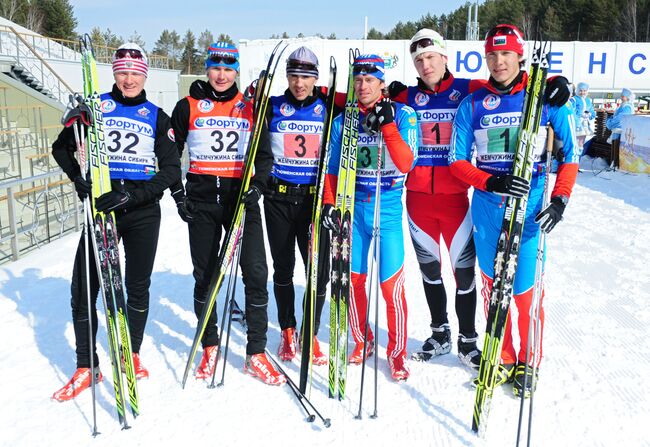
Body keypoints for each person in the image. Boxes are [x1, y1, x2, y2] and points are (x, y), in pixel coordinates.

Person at [449, 24, 579, 396]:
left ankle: (529, 359)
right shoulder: (473, 103)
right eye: (492, 55)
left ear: (519, 56)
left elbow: (570, 154)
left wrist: (560, 198)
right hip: (489, 209)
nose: (499, 61)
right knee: (494, 288)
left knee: (525, 292)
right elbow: (456, 160)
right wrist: (489, 181)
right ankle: (503, 357)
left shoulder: (546, 98)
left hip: (531, 209)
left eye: (506, 54)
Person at [51, 43, 181, 401]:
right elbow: (61, 148)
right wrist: (80, 181)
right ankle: (85, 365)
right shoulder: (95, 109)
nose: (128, 80)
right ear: (113, 73)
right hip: (101, 208)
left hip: (140, 210)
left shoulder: (157, 116)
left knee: (136, 286)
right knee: (85, 287)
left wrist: (136, 195)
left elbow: (170, 169)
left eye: (135, 74)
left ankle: (131, 353)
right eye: (122, 72)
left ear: (144, 77)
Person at [170, 42, 285, 385]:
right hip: (202, 201)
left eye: (228, 68)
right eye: (215, 68)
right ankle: (210, 345)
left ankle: (256, 352)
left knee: (255, 271)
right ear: (208, 69)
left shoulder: (250, 108)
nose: (221, 75)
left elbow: (264, 156)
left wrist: (258, 187)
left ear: (236, 71)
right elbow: (169, 152)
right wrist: (178, 193)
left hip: (241, 201)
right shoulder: (187, 106)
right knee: (205, 276)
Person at [387, 29, 485, 368]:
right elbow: (364, 96)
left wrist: (553, 81)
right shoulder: (406, 97)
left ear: (445, 58)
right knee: (430, 272)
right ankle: (440, 333)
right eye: (418, 60)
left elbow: (511, 85)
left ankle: (468, 341)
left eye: (430, 57)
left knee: (464, 274)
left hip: (456, 201)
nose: (425, 64)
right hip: (417, 202)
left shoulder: (468, 89)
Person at [322, 54, 418, 381]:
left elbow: (406, 163)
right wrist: (329, 204)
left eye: (369, 80)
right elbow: (333, 170)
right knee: (353, 282)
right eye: (358, 80)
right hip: (353, 207)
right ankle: (362, 339)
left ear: (381, 83)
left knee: (391, 287)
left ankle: (397, 352)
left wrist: (388, 125)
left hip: (387, 206)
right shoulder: (342, 121)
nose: (363, 86)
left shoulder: (404, 114)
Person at [263, 46, 335, 364]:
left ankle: (310, 332)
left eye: (306, 77)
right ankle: (288, 330)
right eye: (293, 76)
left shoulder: (328, 106)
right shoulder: (272, 106)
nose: (299, 83)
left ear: (315, 80)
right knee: (283, 269)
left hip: (312, 201)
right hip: (278, 199)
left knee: (318, 271)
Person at [572, 82, 596, 154]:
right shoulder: (574, 99)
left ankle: (578, 158)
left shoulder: (588, 100)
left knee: (581, 141)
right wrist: (580, 115)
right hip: (576, 123)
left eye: (584, 91)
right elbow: (572, 112)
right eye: (581, 90)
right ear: (577, 90)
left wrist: (589, 114)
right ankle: (574, 157)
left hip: (585, 124)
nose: (582, 92)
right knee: (574, 141)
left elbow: (592, 111)